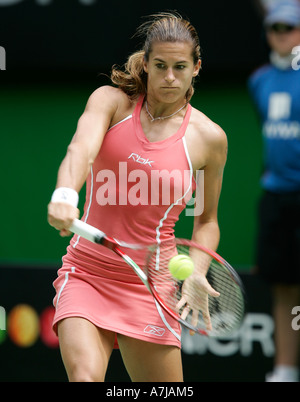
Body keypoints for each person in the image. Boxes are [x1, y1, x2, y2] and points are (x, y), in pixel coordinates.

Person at [47, 12, 227, 382]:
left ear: (197, 68)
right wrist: (65, 193)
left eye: (180, 66)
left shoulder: (209, 139)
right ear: (145, 64)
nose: (170, 77)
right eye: (160, 65)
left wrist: (196, 271)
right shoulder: (111, 102)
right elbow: (79, 150)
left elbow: (207, 221)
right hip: (88, 272)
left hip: (152, 285)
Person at [248, 0, 300, 382]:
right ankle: (285, 370)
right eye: (275, 28)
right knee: (284, 288)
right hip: (277, 198)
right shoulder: (260, 81)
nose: (281, 35)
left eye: (290, 27)